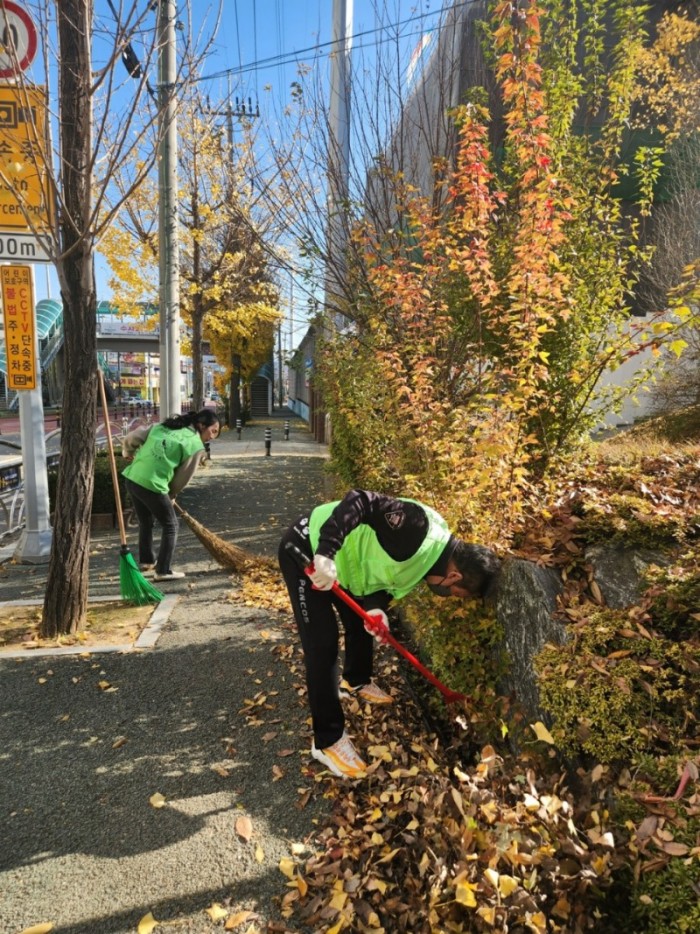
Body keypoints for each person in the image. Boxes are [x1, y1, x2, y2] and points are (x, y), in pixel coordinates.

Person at [278, 489, 501, 779]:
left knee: (360, 624)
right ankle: (327, 740)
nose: (451, 596)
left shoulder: (430, 560)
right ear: (455, 576)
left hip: (343, 567)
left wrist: (377, 610)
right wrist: (325, 553)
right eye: (457, 594)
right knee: (322, 645)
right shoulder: (416, 528)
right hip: (307, 549)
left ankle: (355, 681)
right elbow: (360, 500)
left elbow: (384, 581)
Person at [121, 410, 220, 581]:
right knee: (171, 525)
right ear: (201, 425)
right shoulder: (195, 445)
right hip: (152, 484)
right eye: (213, 431)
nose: (213, 436)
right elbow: (182, 478)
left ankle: (146, 561)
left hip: (133, 478)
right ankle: (163, 570)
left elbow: (132, 438)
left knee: (146, 521)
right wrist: (171, 494)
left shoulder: (162, 427)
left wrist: (127, 453)